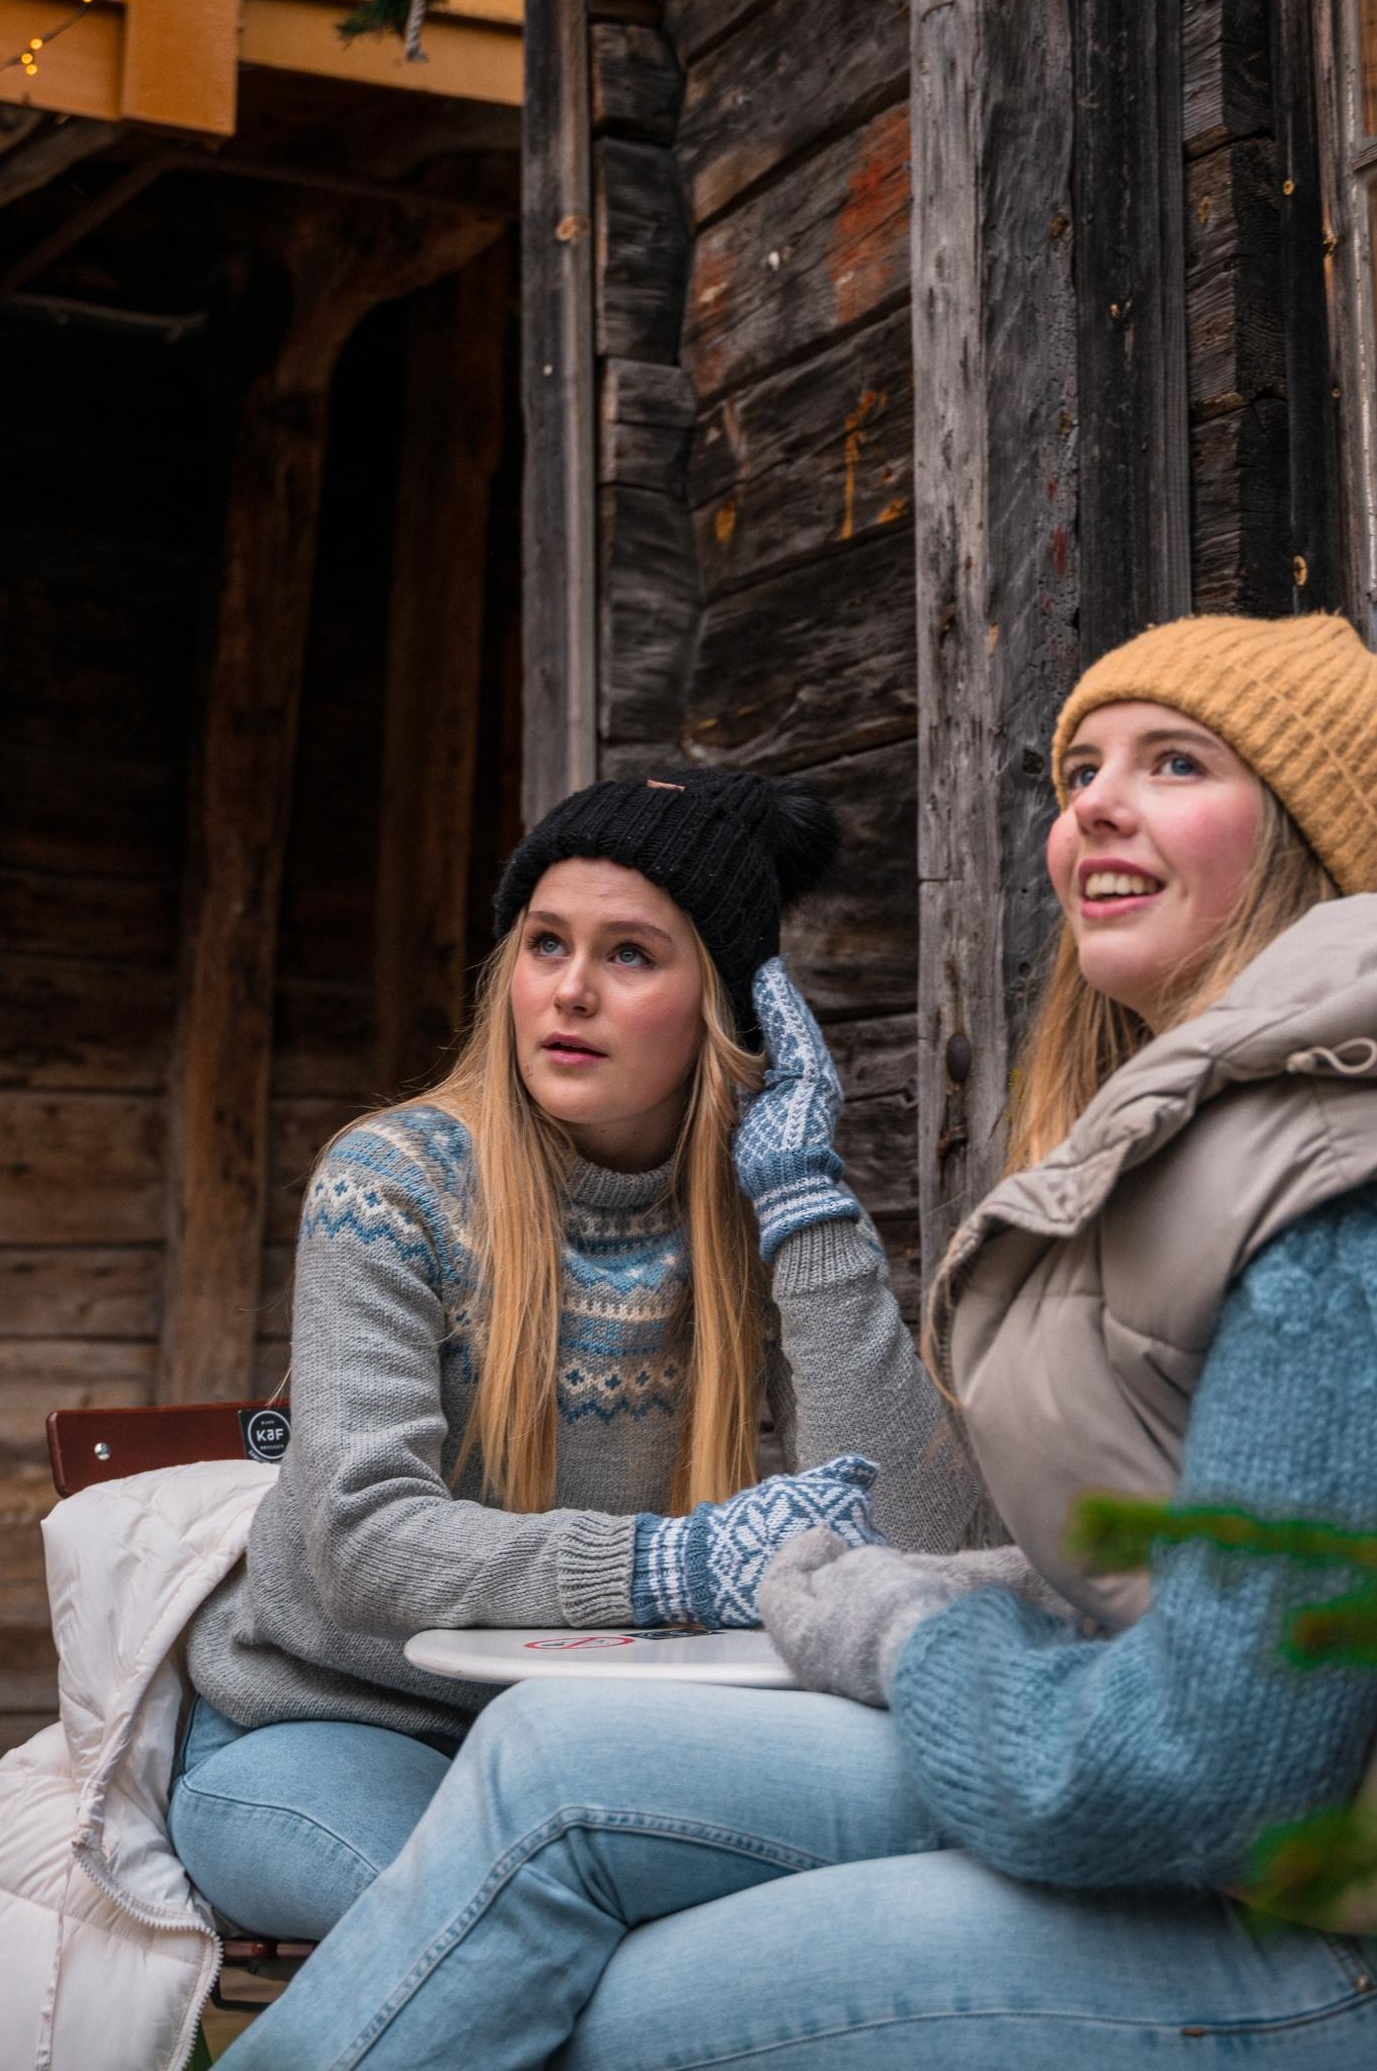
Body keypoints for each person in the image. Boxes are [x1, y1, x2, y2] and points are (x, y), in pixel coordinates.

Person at [224, 614, 1377, 2069]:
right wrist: (846, 1587)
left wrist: (896, 1607)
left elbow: (1202, 1754)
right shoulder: (1272, 1134)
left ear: (1307, 836)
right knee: (554, 1773)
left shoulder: (1375, 1182)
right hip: (1290, 1832)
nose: (1094, 809)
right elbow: (1182, 1605)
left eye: (1176, 764)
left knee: (604, 2003)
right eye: (1078, 771)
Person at [166, 766, 978, 1949]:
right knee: (519, 1933)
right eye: (546, 942)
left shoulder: (751, 1207)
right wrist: (673, 1567)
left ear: (726, 1004)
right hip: (330, 1726)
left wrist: (807, 1202)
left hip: (597, 1735)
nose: (573, 990)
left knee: (795, 1930)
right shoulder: (393, 1183)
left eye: (632, 953)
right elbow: (360, 1537)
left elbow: (921, 1541)